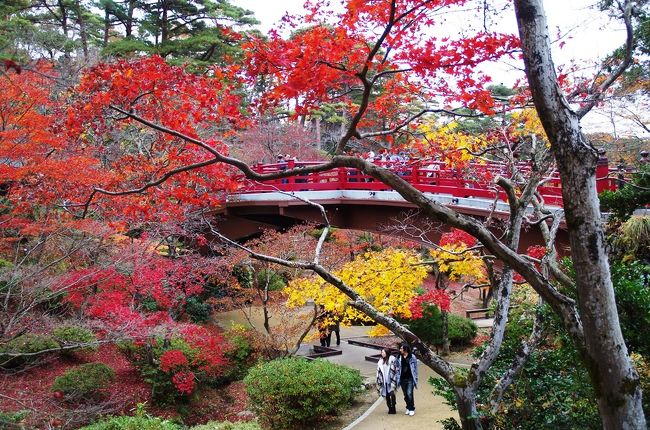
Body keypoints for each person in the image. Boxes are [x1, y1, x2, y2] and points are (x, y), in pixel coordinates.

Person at [394, 343, 418, 416]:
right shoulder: (398, 357)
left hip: (410, 378)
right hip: (402, 379)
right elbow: (395, 365)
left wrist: (416, 377)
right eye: (400, 348)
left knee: (409, 393)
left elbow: (415, 368)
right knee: (405, 394)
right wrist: (397, 369)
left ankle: (411, 408)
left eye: (401, 348)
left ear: (405, 349)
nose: (400, 350)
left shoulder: (412, 357)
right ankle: (408, 407)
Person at [376, 348, 397, 414]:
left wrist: (395, 378)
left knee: (392, 394)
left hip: (391, 380)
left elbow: (396, 369)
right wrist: (379, 380)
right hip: (384, 381)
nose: (382, 353)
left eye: (383, 352)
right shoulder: (380, 361)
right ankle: (390, 408)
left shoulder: (392, 359)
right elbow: (378, 372)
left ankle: (393, 407)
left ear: (387, 353)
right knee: (387, 395)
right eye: (381, 352)